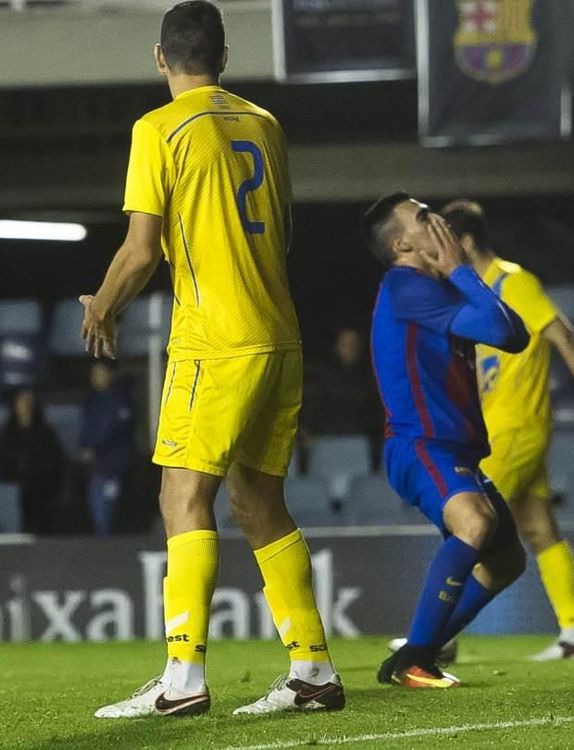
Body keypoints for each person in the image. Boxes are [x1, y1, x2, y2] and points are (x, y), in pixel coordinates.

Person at [85, 1, 342, 718]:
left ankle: (184, 677)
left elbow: (140, 250)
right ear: (223, 57)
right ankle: (313, 671)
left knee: (180, 496)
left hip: (215, 340)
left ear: (159, 57)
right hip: (279, 332)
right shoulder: (265, 123)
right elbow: (279, 232)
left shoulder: (157, 128)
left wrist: (102, 305)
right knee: (259, 501)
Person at [442, 198, 574, 660]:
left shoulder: (512, 282)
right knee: (541, 531)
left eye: (444, 241)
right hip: (497, 428)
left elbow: (561, 332)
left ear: (465, 241)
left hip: (515, 427)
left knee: (468, 526)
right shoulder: (471, 294)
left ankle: (437, 636)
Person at [365, 192, 530, 688]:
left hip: (451, 447)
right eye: (422, 218)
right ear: (401, 244)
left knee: (505, 561)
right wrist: (460, 269)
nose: (436, 220)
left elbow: (515, 334)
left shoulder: (431, 289)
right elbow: (504, 331)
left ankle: (415, 654)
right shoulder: (405, 285)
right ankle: (416, 660)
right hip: (422, 444)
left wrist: (458, 273)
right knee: (475, 523)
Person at [301, 327, 385, 469]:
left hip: (359, 442)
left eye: (354, 344)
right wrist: (308, 431)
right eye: (345, 344)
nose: (349, 348)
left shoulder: (370, 379)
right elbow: (314, 408)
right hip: (326, 441)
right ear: (337, 347)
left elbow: (376, 414)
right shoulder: (324, 378)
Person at [80, 361, 136, 536]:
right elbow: (87, 430)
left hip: (115, 467)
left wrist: (93, 446)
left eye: (101, 372)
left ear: (110, 374)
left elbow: (113, 429)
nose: (96, 377)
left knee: (111, 516)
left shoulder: (121, 401)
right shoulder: (91, 401)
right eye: (94, 373)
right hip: (96, 469)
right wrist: (86, 447)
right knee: (99, 517)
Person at [0, 389, 64, 534]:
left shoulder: (45, 431)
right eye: (21, 402)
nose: (25, 406)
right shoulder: (7, 433)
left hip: (40, 484)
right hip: (13, 484)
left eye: (28, 402)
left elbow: (53, 458)